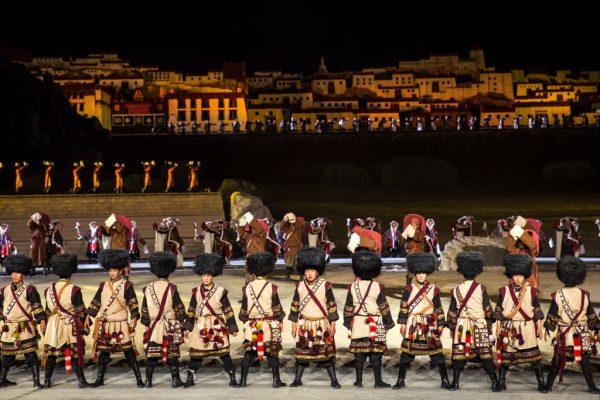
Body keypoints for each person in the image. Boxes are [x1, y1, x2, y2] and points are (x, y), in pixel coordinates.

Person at [85, 249, 143, 388]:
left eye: (115, 270)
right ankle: (99, 379)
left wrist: (134, 317)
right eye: (110, 270)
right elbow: (95, 303)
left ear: (121, 271)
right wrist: (88, 316)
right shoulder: (103, 286)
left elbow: (133, 303)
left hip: (121, 324)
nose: (112, 273)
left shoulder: (127, 285)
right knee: (104, 354)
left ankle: (139, 379)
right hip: (106, 325)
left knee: (129, 353)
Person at [395, 252, 452, 390]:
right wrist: (403, 324)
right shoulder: (408, 289)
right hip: (413, 324)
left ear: (427, 273)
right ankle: (400, 380)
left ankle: (444, 380)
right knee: (406, 354)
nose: (421, 275)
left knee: (437, 353)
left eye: (423, 273)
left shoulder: (434, 289)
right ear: (415, 273)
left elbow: (438, 308)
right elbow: (404, 307)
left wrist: (441, 325)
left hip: (430, 324)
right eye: (418, 273)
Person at [544, 256, 600, 393]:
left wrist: (548, 327)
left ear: (562, 275)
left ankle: (548, 386)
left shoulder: (557, 295)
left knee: (557, 360)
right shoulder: (584, 295)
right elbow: (591, 316)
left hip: (564, 335)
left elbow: (552, 316)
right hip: (581, 334)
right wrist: (595, 327)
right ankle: (592, 387)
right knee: (584, 361)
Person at [183, 253, 239, 387]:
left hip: (217, 326)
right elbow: (191, 310)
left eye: (208, 275)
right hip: (200, 325)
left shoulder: (221, 291)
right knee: (196, 355)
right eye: (203, 275)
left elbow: (228, 311)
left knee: (224, 355)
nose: (205, 278)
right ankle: (190, 378)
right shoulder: (195, 291)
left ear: (213, 275)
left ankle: (233, 378)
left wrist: (232, 328)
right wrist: (187, 327)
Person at [446, 252, 499, 391]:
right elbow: (487, 309)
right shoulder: (481, 289)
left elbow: (452, 312)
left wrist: (452, 326)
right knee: (486, 355)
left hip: (462, 327)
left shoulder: (456, 289)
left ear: (462, 271)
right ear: (476, 271)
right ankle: (495, 382)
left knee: (459, 354)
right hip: (479, 326)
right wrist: (491, 321)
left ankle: (455, 383)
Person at [289, 248, 340, 389]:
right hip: (304, 324)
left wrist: (333, 325)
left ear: (318, 271)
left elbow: (332, 307)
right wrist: (293, 325)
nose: (310, 274)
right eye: (307, 271)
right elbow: (294, 307)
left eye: (312, 271)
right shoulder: (299, 286)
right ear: (303, 271)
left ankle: (334, 380)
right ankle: (297, 379)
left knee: (326, 356)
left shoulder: (326, 285)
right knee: (301, 356)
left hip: (321, 325)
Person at [494, 254, 545, 392]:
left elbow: (537, 312)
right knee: (505, 359)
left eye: (520, 276)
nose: (517, 279)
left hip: (527, 328)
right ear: (511, 275)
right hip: (509, 328)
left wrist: (539, 329)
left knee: (535, 359)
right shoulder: (504, 291)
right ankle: (501, 382)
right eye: (515, 276)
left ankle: (541, 383)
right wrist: (498, 328)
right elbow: (498, 311)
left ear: (525, 276)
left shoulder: (532, 291)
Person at [343, 250, 394, 388]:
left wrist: (348, 323)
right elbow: (384, 307)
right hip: (375, 323)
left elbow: (348, 307)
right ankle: (378, 382)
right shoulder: (378, 287)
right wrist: (388, 323)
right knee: (376, 354)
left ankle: (358, 381)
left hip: (358, 323)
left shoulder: (352, 287)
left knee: (359, 354)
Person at [238, 252, 286, 388]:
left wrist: (247, 322)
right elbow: (277, 309)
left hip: (253, 325)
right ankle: (276, 380)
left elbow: (243, 311)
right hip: (268, 325)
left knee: (249, 352)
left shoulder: (247, 287)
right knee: (272, 352)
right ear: (267, 271)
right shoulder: (272, 287)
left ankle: (242, 381)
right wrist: (280, 321)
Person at [41, 253, 89, 388]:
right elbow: (80, 311)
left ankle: (47, 381)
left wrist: (45, 324)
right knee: (74, 354)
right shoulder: (74, 289)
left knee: (51, 354)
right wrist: (85, 325)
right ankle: (81, 381)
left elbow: (47, 311)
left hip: (53, 325)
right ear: (71, 271)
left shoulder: (48, 290)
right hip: (69, 326)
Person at [140, 252, 187, 388]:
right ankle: (175, 380)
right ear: (169, 271)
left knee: (152, 355)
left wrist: (146, 325)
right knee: (172, 355)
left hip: (154, 326)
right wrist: (183, 324)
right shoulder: (172, 288)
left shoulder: (147, 289)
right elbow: (179, 309)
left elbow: (144, 311)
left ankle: (148, 381)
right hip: (169, 326)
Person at [0, 255, 46, 388]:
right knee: (7, 357)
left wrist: (41, 320)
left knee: (31, 355)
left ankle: (37, 381)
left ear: (23, 273)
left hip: (25, 327)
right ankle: (2, 380)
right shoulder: (4, 290)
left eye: (18, 273)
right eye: (13, 273)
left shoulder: (30, 289)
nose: (15, 276)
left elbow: (36, 306)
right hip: (9, 328)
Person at [278, 212, 305, 280]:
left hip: (297, 247)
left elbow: (299, 224)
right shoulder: (288, 228)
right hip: (289, 247)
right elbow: (281, 227)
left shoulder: (299, 227)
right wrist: (285, 219)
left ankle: (301, 277)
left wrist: (293, 217)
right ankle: (287, 276)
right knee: (288, 263)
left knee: (298, 263)